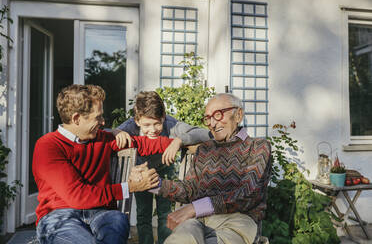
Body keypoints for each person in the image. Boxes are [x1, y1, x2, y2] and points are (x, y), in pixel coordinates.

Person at [33, 84, 173, 244]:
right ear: (76, 119)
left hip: (101, 213)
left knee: (118, 220)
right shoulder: (48, 146)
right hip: (59, 216)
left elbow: (143, 144)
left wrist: (177, 142)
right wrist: (130, 187)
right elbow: (78, 196)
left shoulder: (101, 138)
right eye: (98, 117)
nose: (103, 121)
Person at [153, 93, 272, 244]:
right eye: (208, 118)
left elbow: (247, 194)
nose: (212, 124)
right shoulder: (204, 150)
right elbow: (190, 189)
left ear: (238, 115)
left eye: (218, 115)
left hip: (236, 222)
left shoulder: (258, 147)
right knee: (179, 240)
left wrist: (194, 208)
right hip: (197, 222)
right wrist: (155, 184)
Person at [114, 91, 212, 244]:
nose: (152, 130)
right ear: (137, 121)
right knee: (143, 213)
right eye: (147, 125)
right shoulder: (130, 126)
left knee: (165, 212)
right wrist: (117, 132)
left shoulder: (171, 124)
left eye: (157, 123)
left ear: (163, 117)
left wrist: (179, 140)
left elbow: (204, 133)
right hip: (142, 170)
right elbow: (109, 133)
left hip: (164, 168)